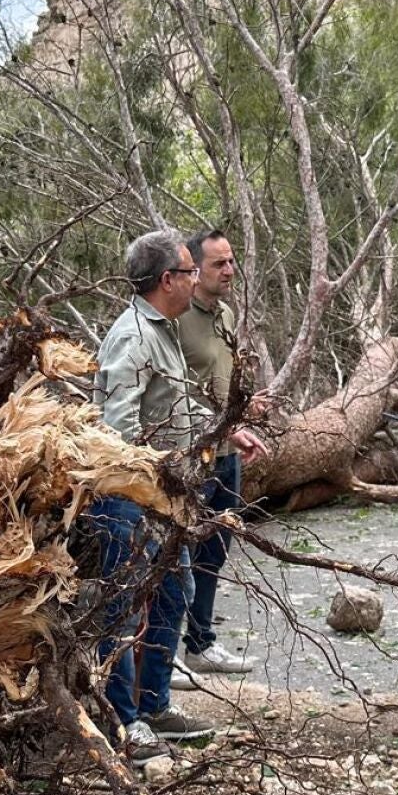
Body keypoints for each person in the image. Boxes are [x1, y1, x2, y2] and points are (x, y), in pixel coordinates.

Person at [89, 228, 259, 760]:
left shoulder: (164, 330)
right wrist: (150, 489)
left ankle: (155, 704)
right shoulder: (133, 336)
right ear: (168, 280)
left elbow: (175, 409)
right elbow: (118, 432)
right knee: (122, 603)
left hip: (167, 496)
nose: (194, 279)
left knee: (172, 591)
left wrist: (221, 431)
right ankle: (124, 719)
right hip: (131, 498)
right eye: (189, 271)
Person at [174, 229, 267, 682]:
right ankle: (161, 652)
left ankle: (201, 643)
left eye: (231, 262)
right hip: (188, 456)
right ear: (193, 269)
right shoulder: (174, 317)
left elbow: (220, 385)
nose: (229, 271)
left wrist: (245, 413)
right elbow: (172, 393)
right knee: (175, 555)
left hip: (227, 451)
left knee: (215, 548)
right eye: (218, 264)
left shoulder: (226, 314)